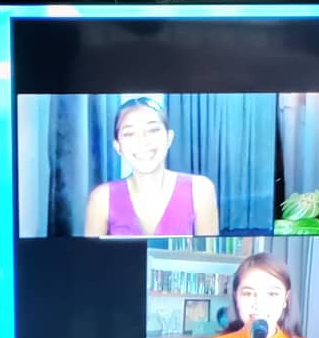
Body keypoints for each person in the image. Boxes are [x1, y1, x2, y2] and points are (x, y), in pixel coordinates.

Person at [83, 97, 221, 237]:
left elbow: (208, 250)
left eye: (153, 130)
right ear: (118, 146)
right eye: (129, 133)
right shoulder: (101, 199)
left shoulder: (200, 190)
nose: (143, 142)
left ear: (169, 138)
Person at [187, 252, 319, 338]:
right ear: (236, 297)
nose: (259, 304)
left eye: (272, 294)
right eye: (248, 293)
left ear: (285, 300)